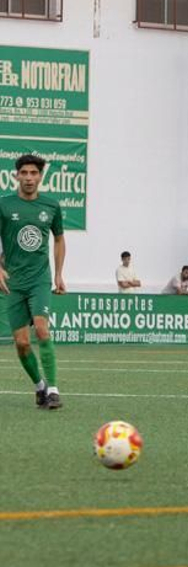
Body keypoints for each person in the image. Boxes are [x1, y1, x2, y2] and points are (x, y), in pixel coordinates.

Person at [0, 154, 67, 409]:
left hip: (40, 279)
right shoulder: (4, 205)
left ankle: (53, 389)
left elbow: (59, 239)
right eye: (24, 173)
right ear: (16, 175)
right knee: (22, 343)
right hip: (13, 282)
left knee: (41, 328)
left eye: (34, 173)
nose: (29, 178)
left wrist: (59, 274)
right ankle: (39, 386)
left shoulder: (51, 206)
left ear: (40, 177)